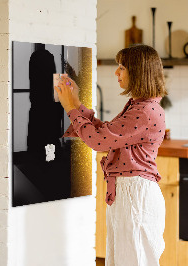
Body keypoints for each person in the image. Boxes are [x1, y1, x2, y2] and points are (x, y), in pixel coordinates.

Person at [54, 44, 167, 266]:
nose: (116, 72)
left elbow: (98, 141)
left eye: (122, 67)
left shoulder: (144, 111)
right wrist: (76, 103)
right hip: (129, 194)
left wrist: (70, 107)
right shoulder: (139, 106)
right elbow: (106, 133)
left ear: (138, 71)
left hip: (135, 195)